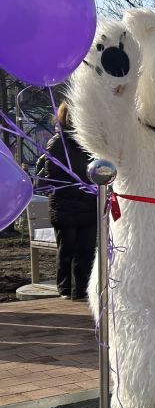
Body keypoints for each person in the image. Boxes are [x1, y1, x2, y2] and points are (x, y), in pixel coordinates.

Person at [41, 102, 97, 301]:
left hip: (89, 207)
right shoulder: (57, 143)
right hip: (66, 208)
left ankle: (81, 290)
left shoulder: (90, 141)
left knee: (87, 250)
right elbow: (52, 175)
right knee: (67, 250)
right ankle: (65, 289)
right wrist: (82, 188)